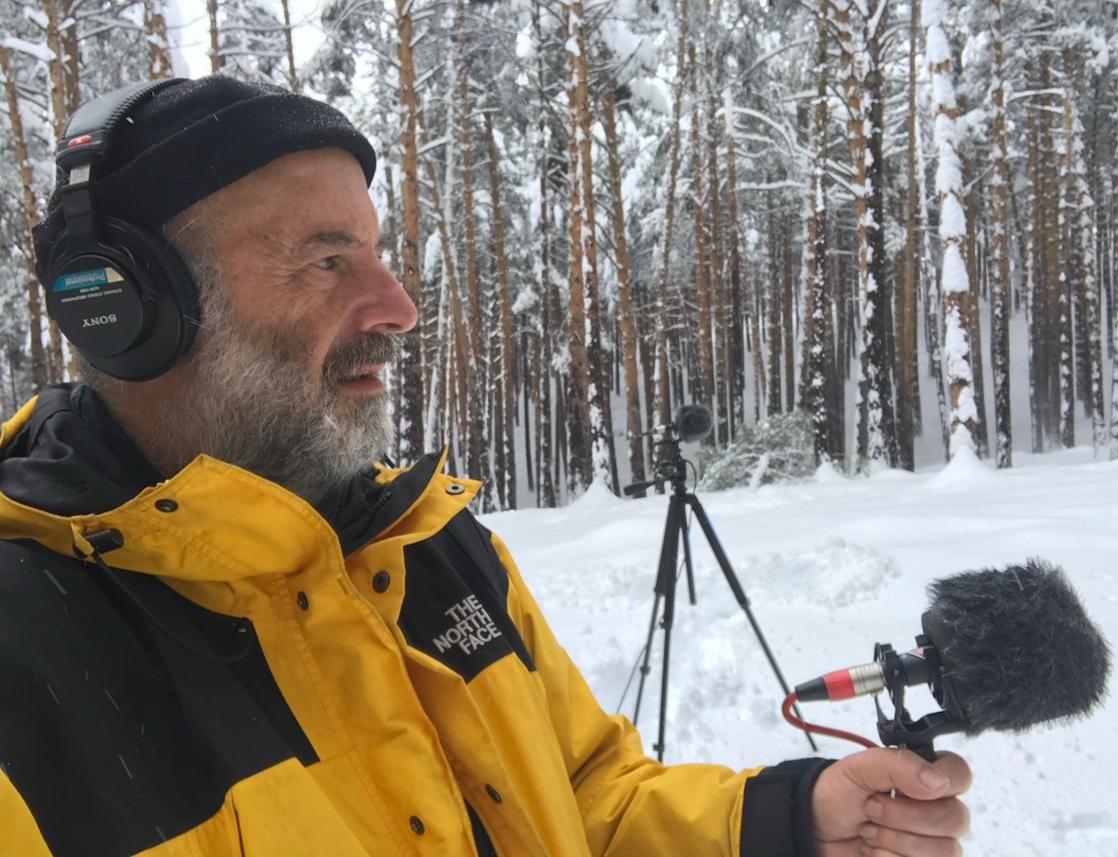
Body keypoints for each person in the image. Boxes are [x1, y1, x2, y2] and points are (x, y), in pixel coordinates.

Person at [0, 76, 970, 857]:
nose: (398, 307)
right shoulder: (27, 663)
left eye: (378, 253)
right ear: (126, 310)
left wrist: (784, 823)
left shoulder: (430, 545)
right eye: (328, 261)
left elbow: (585, 796)